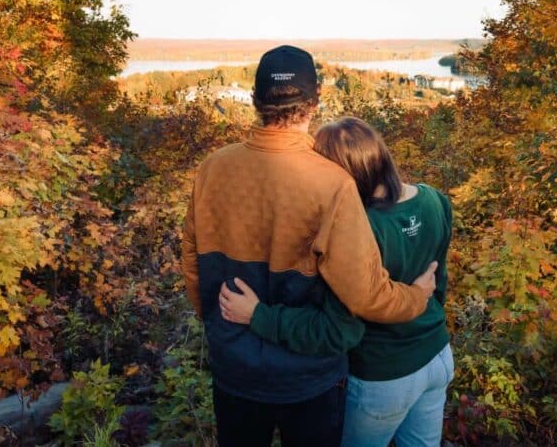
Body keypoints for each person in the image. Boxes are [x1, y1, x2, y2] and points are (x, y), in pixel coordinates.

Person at [182, 46, 438, 447]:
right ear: (314, 101)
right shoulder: (331, 183)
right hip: (308, 379)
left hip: (234, 368)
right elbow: (365, 295)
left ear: (255, 101)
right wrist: (417, 297)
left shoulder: (212, 169)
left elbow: (194, 269)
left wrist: (218, 325)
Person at [219, 117, 454, 447]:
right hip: (437, 355)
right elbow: (437, 282)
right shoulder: (434, 200)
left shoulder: (356, 230)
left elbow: (334, 325)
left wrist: (259, 314)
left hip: (383, 373)